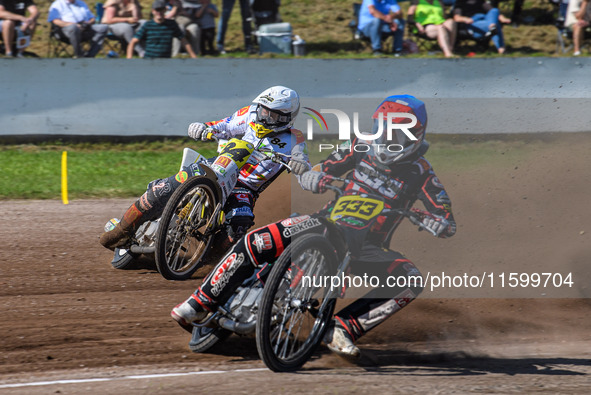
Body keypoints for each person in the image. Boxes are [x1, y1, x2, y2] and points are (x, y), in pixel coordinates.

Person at [171, 94, 457, 359]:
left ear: (414, 134)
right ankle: (200, 302)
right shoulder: (360, 145)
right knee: (258, 240)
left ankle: (342, 328)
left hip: (367, 247)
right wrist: (314, 176)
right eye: (383, 127)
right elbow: (325, 166)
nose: (387, 135)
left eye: (396, 130)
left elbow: (445, 217)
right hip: (325, 223)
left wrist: (437, 221)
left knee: (410, 279)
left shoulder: (422, 173)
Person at [100, 86, 311, 252]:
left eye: (272, 115)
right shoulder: (248, 114)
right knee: (162, 188)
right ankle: (122, 229)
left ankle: (208, 261)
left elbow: (303, 162)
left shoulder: (295, 139)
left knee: (239, 223)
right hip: (217, 165)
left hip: (244, 189)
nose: (264, 117)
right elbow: (223, 126)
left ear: (286, 118)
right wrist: (203, 128)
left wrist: (301, 166)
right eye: (263, 110)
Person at [126, 0, 197, 58]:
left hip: (165, 61)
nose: (159, 13)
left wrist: (194, 57)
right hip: (149, 60)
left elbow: (184, 41)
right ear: (153, 11)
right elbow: (133, 42)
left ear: (165, 10)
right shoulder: (148, 25)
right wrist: (129, 59)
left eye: (161, 10)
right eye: (157, 10)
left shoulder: (172, 24)